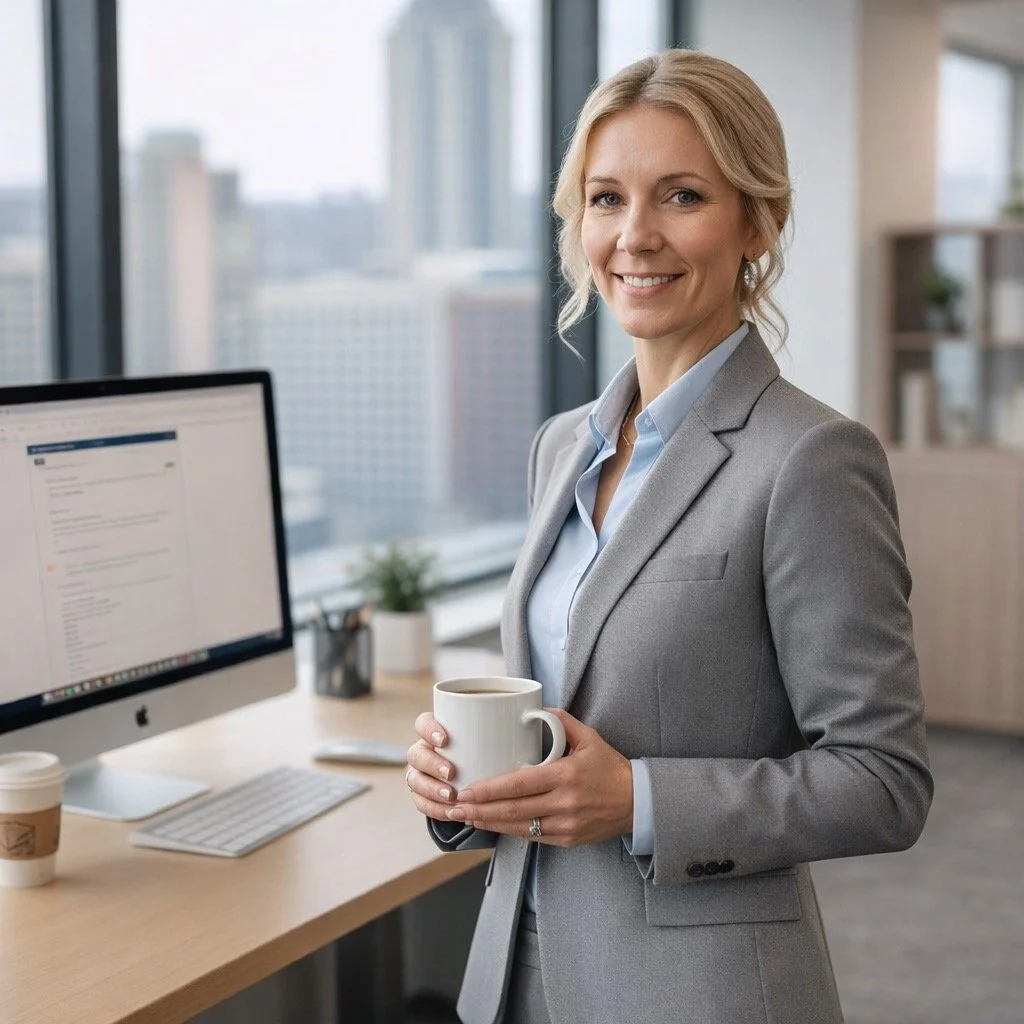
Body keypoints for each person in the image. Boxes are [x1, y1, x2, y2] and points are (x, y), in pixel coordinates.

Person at [404, 48, 933, 1024]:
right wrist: (459, 784)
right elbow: (558, 712)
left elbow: (884, 779)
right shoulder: (562, 446)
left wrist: (639, 800)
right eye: (605, 199)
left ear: (756, 223)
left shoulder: (809, 459)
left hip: (695, 996)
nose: (635, 236)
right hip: (516, 974)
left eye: (681, 195)